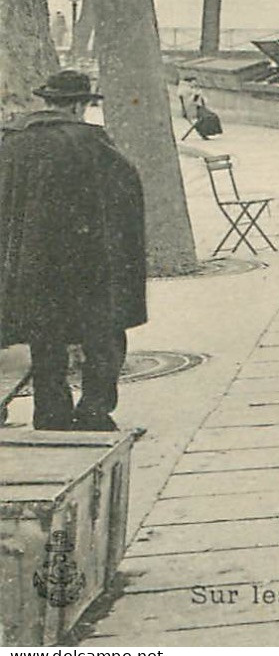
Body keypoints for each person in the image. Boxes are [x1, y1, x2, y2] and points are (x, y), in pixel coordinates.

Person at [0, 70, 146, 431]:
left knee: (44, 338)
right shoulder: (91, 143)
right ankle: (94, 410)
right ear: (80, 105)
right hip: (86, 263)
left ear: (47, 102)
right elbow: (128, 193)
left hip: (30, 264)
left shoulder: (12, 142)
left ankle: (50, 412)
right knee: (102, 335)